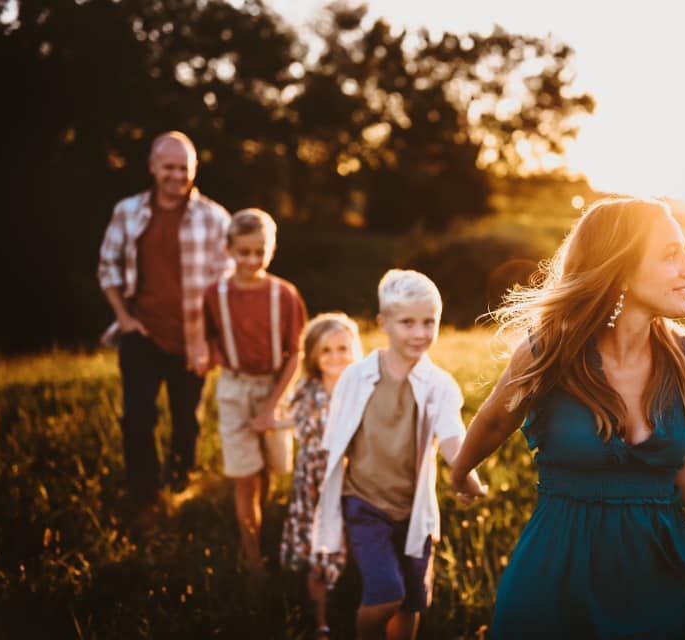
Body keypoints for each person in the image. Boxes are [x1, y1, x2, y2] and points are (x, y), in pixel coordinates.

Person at [450, 198, 685, 639]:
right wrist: (462, 471)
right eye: (671, 254)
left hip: (658, 573)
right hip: (559, 573)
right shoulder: (550, 352)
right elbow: (497, 421)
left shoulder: (683, 360)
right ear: (620, 268)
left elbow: (679, 463)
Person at [311, 269, 488, 640]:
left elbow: (454, 439)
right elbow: (336, 439)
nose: (420, 333)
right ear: (383, 323)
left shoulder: (439, 385)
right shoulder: (356, 377)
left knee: (410, 600)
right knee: (386, 594)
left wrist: (467, 477)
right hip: (364, 504)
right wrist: (323, 492)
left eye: (429, 322)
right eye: (407, 322)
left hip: (413, 512)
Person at [97, 131, 232, 528]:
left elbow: (224, 286)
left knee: (186, 419)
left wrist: (210, 339)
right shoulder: (128, 211)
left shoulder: (215, 218)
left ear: (194, 171)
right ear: (153, 167)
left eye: (183, 168)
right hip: (142, 333)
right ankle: (145, 497)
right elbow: (108, 268)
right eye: (168, 167)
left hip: (193, 338)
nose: (176, 175)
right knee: (138, 418)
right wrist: (124, 318)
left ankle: (180, 485)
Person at [203, 208, 308, 575]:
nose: (251, 260)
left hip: (276, 386)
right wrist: (210, 356)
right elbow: (210, 337)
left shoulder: (285, 295)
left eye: (259, 252)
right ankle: (252, 558)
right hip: (234, 388)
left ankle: (265, 524)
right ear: (228, 249)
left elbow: (296, 353)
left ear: (271, 250)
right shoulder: (215, 295)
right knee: (245, 476)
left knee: (271, 468)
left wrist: (271, 408)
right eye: (243, 251)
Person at [280, 313, 363, 638]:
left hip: (352, 478)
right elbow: (294, 423)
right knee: (318, 549)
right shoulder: (307, 390)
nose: (335, 357)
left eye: (343, 348)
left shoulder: (361, 389)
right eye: (326, 350)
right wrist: (266, 423)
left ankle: (355, 598)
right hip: (314, 482)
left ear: (354, 350)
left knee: (353, 540)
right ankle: (321, 622)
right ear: (313, 354)